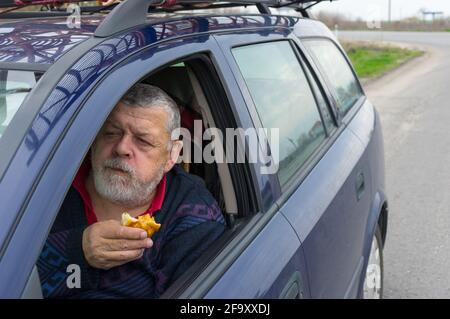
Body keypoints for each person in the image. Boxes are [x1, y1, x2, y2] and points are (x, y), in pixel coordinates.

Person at [37, 83, 226, 298]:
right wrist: (74, 249)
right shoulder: (46, 187)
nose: (122, 148)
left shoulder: (195, 217)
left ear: (172, 155)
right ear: (94, 140)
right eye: (111, 133)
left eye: (143, 141)